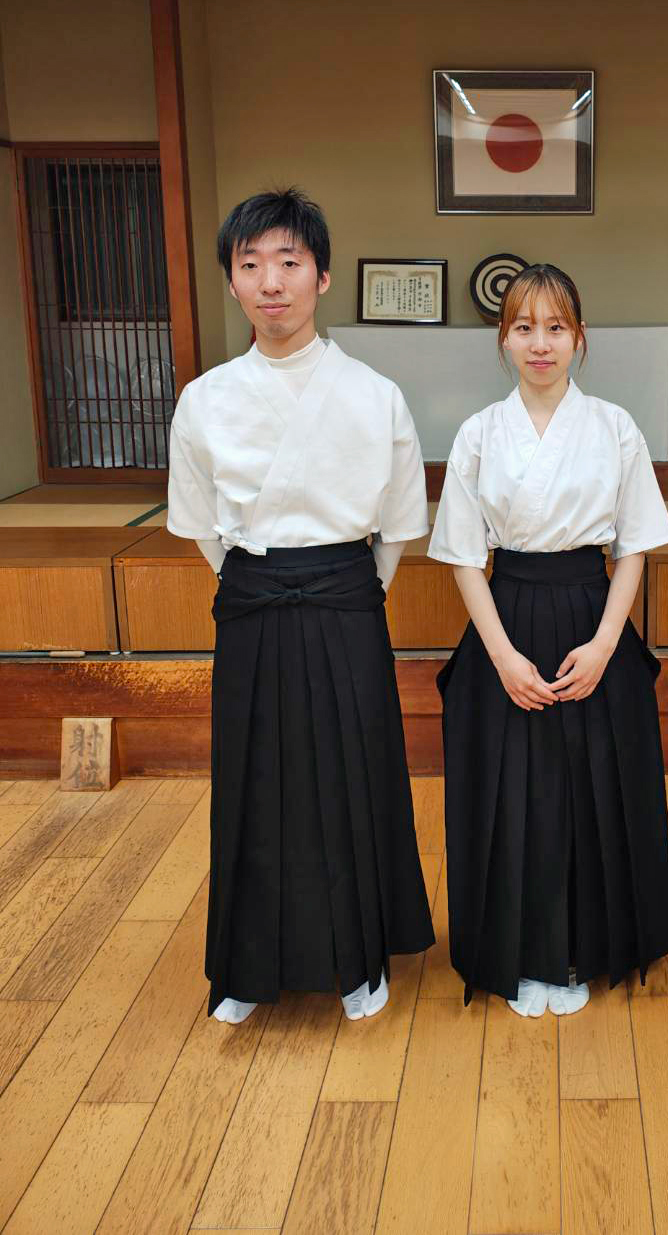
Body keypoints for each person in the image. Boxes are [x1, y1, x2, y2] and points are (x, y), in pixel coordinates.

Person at [167, 188, 433, 1024]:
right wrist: (258, 578)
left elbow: (398, 524)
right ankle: (247, 969)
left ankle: (358, 961)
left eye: (289, 261)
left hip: (345, 597)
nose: (270, 282)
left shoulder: (373, 393)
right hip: (252, 597)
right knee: (252, 779)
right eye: (250, 265)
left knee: (352, 773)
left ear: (321, 275)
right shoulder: (205, 399)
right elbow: (200, 524)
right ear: (232, 281)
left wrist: (347, 586)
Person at [429, 264, 668, 1018]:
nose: (541, 343)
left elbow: (633, 547)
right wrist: (502, 656)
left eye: (556, 327)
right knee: (516, 794)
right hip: (505, 617)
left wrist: (605, 645)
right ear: (503, 340)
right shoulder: (479, 433)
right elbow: (465, 557)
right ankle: (518, 952)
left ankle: (589, 948)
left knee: (592, 789)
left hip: (592, 615)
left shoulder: (615, 427)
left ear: (579, 338)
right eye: (524, 327)